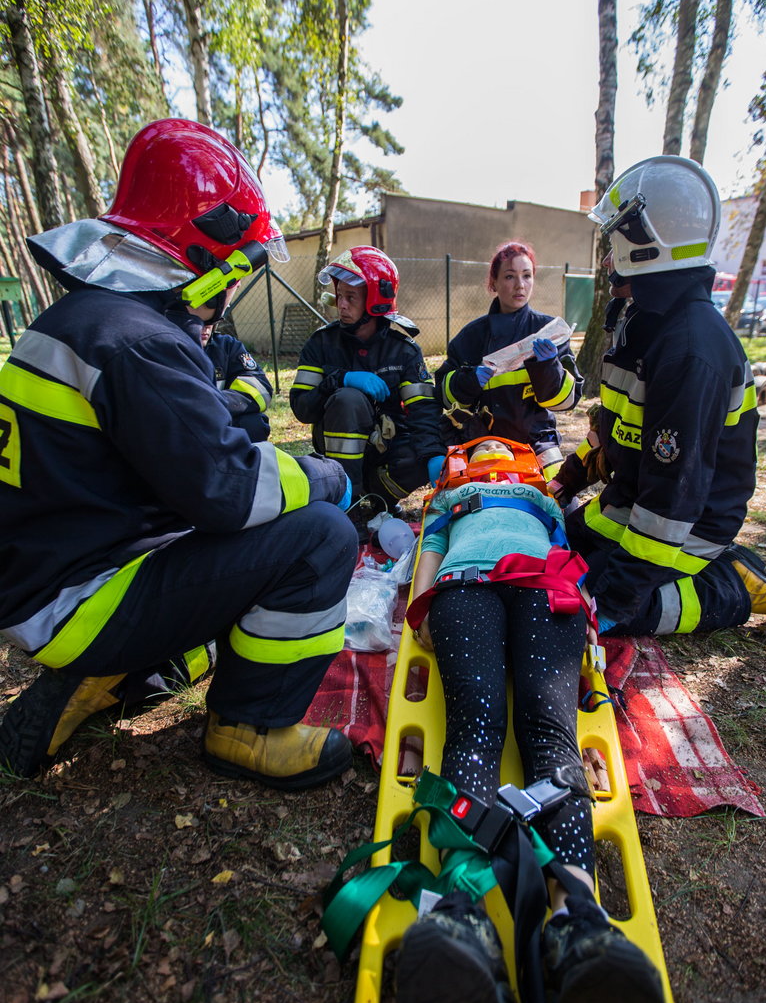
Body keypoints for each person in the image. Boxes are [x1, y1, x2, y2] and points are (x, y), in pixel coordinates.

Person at [0, 118, 358, 790]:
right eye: (238, 267)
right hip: (82, 601)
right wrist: (326, 477)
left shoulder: (82, 319)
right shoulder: (139, 340)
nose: (230, 291)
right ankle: (248, 728)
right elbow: (226, 491)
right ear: (206, 253)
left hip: (44, 584)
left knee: (238, 568)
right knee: (321, 537)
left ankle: (107, 678)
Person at [396, 437, 666, 1003]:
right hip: (467, 586)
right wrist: (421, 607)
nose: (491, 455)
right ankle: (461, 907)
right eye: (481, 449)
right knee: (477, 725)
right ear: (468, 464)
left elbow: (569, 546)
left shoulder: (542, 497)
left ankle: (577, 923)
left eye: (499, 449)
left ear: (515, 462)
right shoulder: (451, 499)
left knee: (549, 735)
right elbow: (430, 551)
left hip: (549, 587)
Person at [551, 155, 766, 639]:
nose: (608, 259)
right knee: (561, 552)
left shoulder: (690, 351)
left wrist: (613, 602)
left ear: (649, 244)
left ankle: (733, 586)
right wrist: (565, 483)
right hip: (636, 496)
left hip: (688, 520)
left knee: (592, 605)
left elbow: (675, 498)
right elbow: (615, 429)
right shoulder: (641, 323)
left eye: (616, 242)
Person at [289, 246, 445, 540]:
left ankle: (378, 503)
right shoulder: (321, 344)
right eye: (340, 296)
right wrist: (339, 380)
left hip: (387, 451)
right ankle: (348, 503)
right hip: (338, 456)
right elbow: (302, 408)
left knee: (432, 445)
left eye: (351, 298)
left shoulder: (403, 350)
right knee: (349, 400)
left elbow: (423, 409)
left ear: (375, 302)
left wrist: (435, 455)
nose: (342, 305)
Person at [435, 241, 583, 482]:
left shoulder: (549, 332)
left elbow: (567, 401)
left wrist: (548, 366)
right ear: (493, 282)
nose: (520, 285)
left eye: (527, 276)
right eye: (509, 276)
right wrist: (468, 381)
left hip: (538, 441)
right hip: (486, 443)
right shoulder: (472, 337)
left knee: (561, 497)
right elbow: (444, 394)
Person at [201, 321, 272, 441]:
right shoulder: (165, 348)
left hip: (223, 418)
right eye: (198, 319)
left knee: (254, 423)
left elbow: (260, 388)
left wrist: (213, 404)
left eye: (212, 319)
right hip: (182, 425)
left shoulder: (227, 345)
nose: (207, 326)